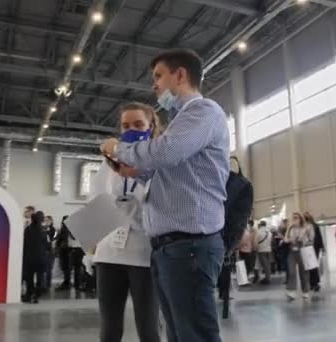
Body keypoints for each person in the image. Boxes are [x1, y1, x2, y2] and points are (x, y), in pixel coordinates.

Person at [101, 49, 229, 342]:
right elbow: (168, 170)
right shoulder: (181, 122)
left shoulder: (203, 111)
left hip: (189, 246)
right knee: (178, 333)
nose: (154, 85)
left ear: (180, 75)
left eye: (158, 76)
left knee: (193, 334)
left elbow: (166, 152)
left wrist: (116, 147)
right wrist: (135, 172)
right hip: (170, 249)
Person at [92, 102, 162, 342]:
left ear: (151, 127)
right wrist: (89, 247)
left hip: (144, 253)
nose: (131, 130)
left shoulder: (159, 161)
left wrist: (137, 203)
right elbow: (96, 200)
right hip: (108, 253)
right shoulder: (109, 162)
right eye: (125, 126)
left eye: (138, 124)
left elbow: (164, 205)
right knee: (109, 328)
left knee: (149, 327)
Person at [22, 211, 51, 303]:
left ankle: (29, 294)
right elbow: (47, 245)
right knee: (40, 277)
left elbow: (24, 243)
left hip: (29, 258)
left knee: (29, 278)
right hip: (41, 257)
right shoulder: (43, 230)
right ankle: (36, 295)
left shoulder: (27, 230)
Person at [284, 212, 314, 300]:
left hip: (303, 250)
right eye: (293, 218)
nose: (295, 219)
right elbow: (285, 239)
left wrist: (303, 240)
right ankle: (292, 291)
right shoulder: (290, 228)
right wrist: (290, 240)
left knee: (303, 272)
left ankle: (305, 291)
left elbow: (311, 239)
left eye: (296, 217)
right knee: (291, 271)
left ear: (301, 218)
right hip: (292, 251)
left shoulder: (307, 227)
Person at [304, 212, 324, 292]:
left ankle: (314, 283)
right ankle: (314, 283)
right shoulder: (314, 225)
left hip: (312, 247)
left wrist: (322, 247)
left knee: (311, 265)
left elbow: (318, 237)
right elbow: (320, 237)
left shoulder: (312, 226)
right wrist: (322, 247)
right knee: (312, 265)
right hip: (313, 247)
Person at [55, 216, 72, 290]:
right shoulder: (67, 229)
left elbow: (59, 240)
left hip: (65, 251)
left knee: (65, 268)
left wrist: (58, 246)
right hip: (66, 251)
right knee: (66, 268)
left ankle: (66, 283)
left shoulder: (64, 229)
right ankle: (66, 282)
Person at [254, 220, 272, 285]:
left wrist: (255, 249)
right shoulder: (269, 232)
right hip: (268, 250)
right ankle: (268, 277)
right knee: (267, 264)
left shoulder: (258, 232)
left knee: (264, 265)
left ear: (260, 225)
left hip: (261, 250)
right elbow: (271, 241)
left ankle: (267, 279)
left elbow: (255, 242)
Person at [42, 216, 57, 291]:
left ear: (51, 221)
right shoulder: (42, 229)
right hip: (42, 251)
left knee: (48, 269)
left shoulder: (54, 230)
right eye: (44, 220)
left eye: (47, 220)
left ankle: (47, 285)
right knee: (43, 269)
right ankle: (43, 285)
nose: (46, 222)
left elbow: (54, 240)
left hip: (50, 252)